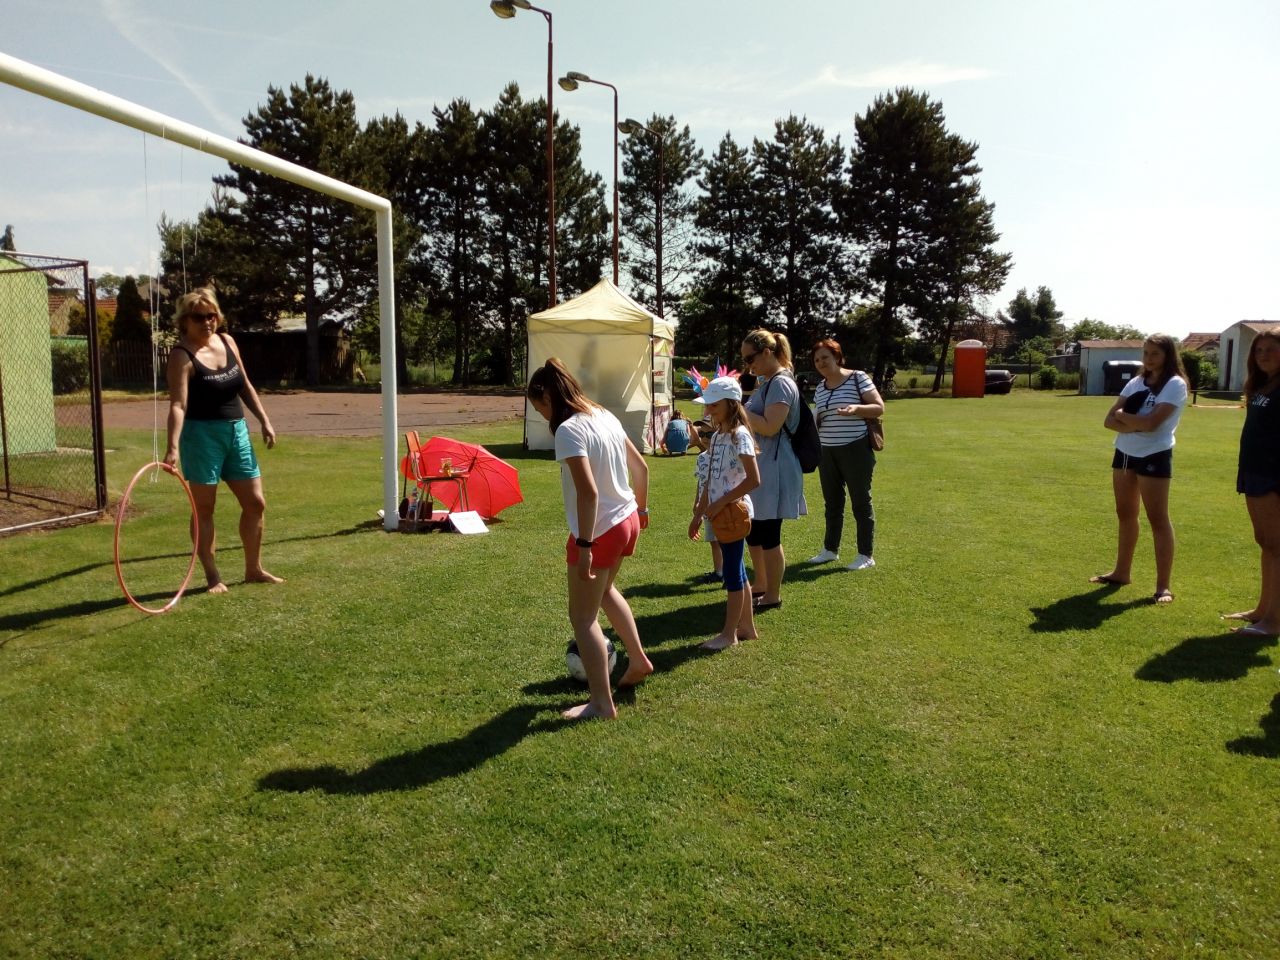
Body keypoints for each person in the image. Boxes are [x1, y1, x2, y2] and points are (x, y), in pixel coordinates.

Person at [526, 357, 654, 720]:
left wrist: (583, 546)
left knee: (582, 619)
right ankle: (638, 660)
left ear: (548, 398)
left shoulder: (569, 430)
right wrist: (641, 510)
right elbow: (641, 468)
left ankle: (601, 703)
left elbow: (589, 493)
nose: (542, 415)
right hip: (627, 518)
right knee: (606, 591)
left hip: (601, 531)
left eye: (540, 408)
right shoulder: (604, 415)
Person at [163, 287, 282, 595]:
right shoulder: (181, 355)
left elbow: (245, 385)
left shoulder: (227, 341)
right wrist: (173, 447)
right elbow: (178, 405)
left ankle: (253, 569)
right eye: (199, 317)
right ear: (185, 320)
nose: (207, 322)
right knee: (204, 508)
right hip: (201, 436)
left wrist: (264, 420)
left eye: (212, 315)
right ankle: (212, 576)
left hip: (236, 431)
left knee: (255, 503)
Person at [1090, 334, 1188, 603]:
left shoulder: (1175, 384)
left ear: (1168, 355)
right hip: (1124, 453)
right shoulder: (1135, 382)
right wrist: (1134, 423)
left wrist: (1126, 419)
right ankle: (1121, 573)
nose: (1148, 358)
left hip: (1154, 454)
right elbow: (1108, 421)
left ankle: (1163, 587)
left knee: (1158, 518)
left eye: (1155, 353)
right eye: (1146, 353)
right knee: (1125, 513)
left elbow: (1152, 424)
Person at [688, 377, 761, 649]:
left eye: (714, 405)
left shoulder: (740, 435)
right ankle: (747, 628)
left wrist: (721, 504)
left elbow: (754, 479)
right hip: (719, 515)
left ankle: (729, 635)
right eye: (707, 405)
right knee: (737, 570)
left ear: (731, 404)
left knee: (732, 574)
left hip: (733, 515)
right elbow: (710, 479)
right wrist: (699, 514)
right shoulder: (718, 435)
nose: (708, 411)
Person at [740, 329, 807, 611]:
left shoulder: (781, 383)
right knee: (755, 531)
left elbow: (770, 426)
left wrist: (738, 411)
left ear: (767, 352)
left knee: (769, 534)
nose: (748, 366)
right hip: (764, 466)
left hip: (776, 468)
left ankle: (773, 595)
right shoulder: (768, 382)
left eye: (750, 358)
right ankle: (762, 584)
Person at [807, 339, 884, 571]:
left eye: (825, 357)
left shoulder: (857, 377)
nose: (821, 362)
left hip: (855, 448)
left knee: (860, 502)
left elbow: (879, 407)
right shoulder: (821, 387)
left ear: (837, 357)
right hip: (826, 451)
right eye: (817, 360)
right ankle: (830, 550)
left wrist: (856, 409)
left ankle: (865, 554)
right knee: (832, 502)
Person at [1224, 330, 1280, 635]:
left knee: (1277, 545)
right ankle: (1262, 610)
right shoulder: (1262, 385)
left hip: (1272, 474)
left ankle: (1274, 621)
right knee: (1266, 543)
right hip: (1255, 471)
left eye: (1271, 349)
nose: (1263, 355)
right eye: (1258, 350)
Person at [688, 416, 724, 584]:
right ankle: (719, 571)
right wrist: (697, 501)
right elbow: (701, 481)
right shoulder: (701, 457)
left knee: (724, 540)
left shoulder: (722, 456)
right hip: (706, 506)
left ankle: (728, 571)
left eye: (709, 435)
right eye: (702, 434)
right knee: (713, 541)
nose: (704, 438)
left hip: (720, 505)